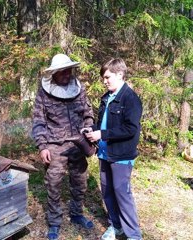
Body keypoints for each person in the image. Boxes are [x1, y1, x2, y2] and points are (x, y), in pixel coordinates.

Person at [32, 53, 95, 240]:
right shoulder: (44, 93)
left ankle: (76, 214)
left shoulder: (79, 88)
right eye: (63, 71)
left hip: (78, 143)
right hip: (54, 145)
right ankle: (54, 222)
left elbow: (88, 112)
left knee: (80, 182)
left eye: (69, 70)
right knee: (53, 184)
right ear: (54, 73)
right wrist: (42, 146)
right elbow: (38, 121)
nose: (67, 74)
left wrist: (89, 128)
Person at [85, 58, 143, 240]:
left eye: (108, 77)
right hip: (105, 153)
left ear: (120, 74)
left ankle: (134, 235)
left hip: (121, 155)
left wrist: (102, 134)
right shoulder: (106, 98)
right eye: (103, 78)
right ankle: (115, 226)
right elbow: (105, 124)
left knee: (122, 195)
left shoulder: (130, 98)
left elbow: (130, 129)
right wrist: (93, 130)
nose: (105, 81)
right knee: (108, 192)